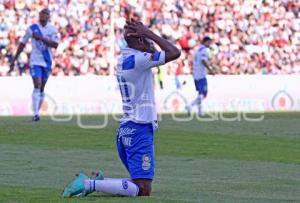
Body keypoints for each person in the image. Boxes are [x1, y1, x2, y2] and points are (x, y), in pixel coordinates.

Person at [62, 20, 180, 197]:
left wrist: (143, 36)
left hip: (125, 130)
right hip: (139, 129)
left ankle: (101, 182)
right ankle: (89, 184)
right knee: (142, 190)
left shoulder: (124, 59)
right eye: (146, 40)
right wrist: (149, 33)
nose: (151, 44)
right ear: (139, 41)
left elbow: (154, 52)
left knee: (136, 184)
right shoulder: (140, 60)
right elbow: (174, 52)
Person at [8, 8, 59, 121]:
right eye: (42, 13)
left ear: (48, 17)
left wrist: (40, 38)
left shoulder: (52, 29)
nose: (43, 15)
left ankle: (37, 110)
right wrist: (14, 59)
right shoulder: (32, 29)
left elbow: (55, 45)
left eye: (46, 14)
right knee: (37, 84)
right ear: (39, 15)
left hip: (47, 61)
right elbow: (22, 44)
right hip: (35, 61)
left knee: (42, 87)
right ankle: (35, 114)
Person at [186, 36, 213, 116]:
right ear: (205, 42)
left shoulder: (197, 50)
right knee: (203, 94)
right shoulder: (205, 50)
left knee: (200, 93)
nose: (210, 44)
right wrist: (210, 70)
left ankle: (200, 111)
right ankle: (190, 106)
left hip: (196, 74)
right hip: (201, 74)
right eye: (209, 42)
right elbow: (203, 60)